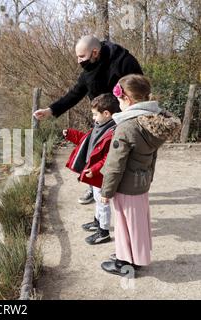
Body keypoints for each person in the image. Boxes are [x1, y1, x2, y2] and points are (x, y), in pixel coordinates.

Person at [33, 35, 143, 205]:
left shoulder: (124, 61)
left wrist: (135, 114)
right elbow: (75, 93)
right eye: (77, 57)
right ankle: (94, 188)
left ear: (95, 52)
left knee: (121, 156)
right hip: (101, 118)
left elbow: (139, 88)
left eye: (81, 57)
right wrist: (51, 110)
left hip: (124, 118)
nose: (78, 61)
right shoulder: (88, 70)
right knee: (95, 154)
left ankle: (125, 189)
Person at [99, 74, 181, 276]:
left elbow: (115, 164)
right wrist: (149, 178)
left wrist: (106, 190)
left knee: (123, 225)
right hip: (142, 182)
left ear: (127, 99)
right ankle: (137, 258)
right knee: (138, 224)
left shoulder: (127, 127)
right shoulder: (152, 124)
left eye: (119, 100)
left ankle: (123, 263)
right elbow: (152, 156)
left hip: (126, 186)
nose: (118, 104)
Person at [63, 94, 120, 245]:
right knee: (97, 199)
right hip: (94, 173)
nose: (93, 118)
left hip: (101, 175)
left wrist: (94, 169)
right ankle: (97, 222)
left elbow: (109, 158)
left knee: (102, 202)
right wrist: (70, 134)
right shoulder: (99, 127)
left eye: (95, 114)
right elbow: (85, 142)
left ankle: (104, 231)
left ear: (106, 113)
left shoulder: (112, 133)